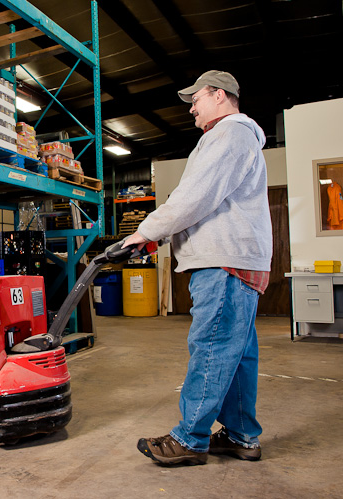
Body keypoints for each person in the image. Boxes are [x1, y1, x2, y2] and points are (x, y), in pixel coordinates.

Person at [122, 70, 273, 466]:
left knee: (211, 349)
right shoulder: (238, 138)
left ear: (220, 96)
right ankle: (242, 437)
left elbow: (194, 197)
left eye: (197, 99)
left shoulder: (228, 134)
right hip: (238, 261)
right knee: (236, 354)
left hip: (223, 262)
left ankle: (190, 438)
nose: (191, 108)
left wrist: (146, 231)